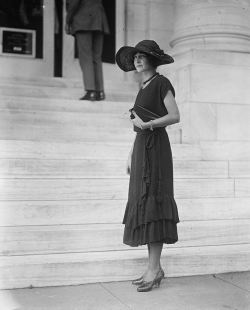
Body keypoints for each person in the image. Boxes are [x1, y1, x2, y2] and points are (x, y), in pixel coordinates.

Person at [115, 40, 180, 292]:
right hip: (142, 147)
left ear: (153, 60)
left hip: (157, 147)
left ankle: (154, 269)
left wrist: (148, 126)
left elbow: (174, 115)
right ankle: (153, 268)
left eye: (142, 57)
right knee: (143, 202)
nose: (137, 60)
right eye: (135, 57)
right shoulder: (143, 86)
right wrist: (131, 152)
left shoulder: (161, 83)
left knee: (154, 202)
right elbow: (138, 125)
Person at [65, 0, 109, 101]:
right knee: (96, 57)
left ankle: (91, 91)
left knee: (86, 57)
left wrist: (68, 20)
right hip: (99, 20)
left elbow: (74, 3)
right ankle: (100, 91)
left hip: (83, 20)